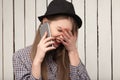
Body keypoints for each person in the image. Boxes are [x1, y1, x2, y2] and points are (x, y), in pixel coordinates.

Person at [13, 0, 90, 80]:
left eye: (67, 33)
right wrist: (37, 61)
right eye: (59, 30)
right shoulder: (20, 57)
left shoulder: (71, 55)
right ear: (45, 24)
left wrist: (73, 51)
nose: (62, 37)